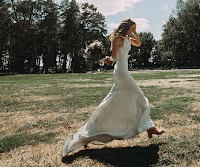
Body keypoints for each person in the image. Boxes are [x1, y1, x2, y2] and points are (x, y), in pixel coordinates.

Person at [61, 18, 165, 157]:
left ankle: (89, 134)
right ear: (126, 27)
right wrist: (108, 60)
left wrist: (135, 32)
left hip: (124, 72)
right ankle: (150, 129)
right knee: (140, 97)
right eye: (132, 28)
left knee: (112, 103)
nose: (133, 31)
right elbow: (114, 57)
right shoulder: (117, 38)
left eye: (134, 29)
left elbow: (138, 43)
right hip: (121, 73)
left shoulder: (127, 38)